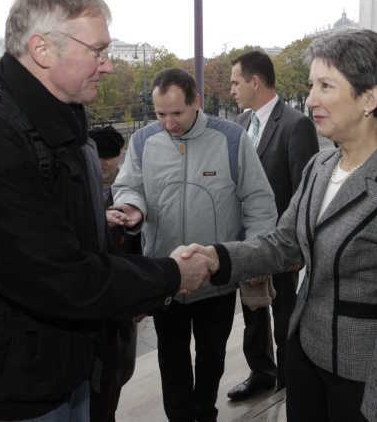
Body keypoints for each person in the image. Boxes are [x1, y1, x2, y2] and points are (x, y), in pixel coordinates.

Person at [0, 0, 215, 422]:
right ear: (42, 49)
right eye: (98, 51)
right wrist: (168, 275)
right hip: (24, 384)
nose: (109, 67)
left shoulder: (60, 122)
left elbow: (61, 239)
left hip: (66, 365)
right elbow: (56, 276)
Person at [175, 29, 377, 422]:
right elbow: (284, 244)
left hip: (358, 383)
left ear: (370, 97)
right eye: (311, 85)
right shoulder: (320, 167)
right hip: (303, 362)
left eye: (325, 85)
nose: (311, 99)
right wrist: (216, 257)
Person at [110, 68, 277, 422]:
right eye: (160, 114)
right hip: (166, 278)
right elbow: (128, 187)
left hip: (215, 280)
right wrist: (131, 208)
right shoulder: (143, 142)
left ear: (196, 102)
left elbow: (260, 202)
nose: (168, 123)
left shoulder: (232, 139)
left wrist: (255, 259)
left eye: (177, 113)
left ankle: (206, 413)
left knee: (211, 358)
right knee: (171, 361)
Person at [226, 50, 319, 400]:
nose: (232, 90)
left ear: (254, 81)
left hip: (281, 245)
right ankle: (261, 374)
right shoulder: (238, 124)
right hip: (246, 240)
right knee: (252, 311)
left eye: (235, 82)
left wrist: (296, 245)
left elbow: (304, 191)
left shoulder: (297, 125)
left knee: (283, 316)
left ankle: (289, 379)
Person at [86, 125, 143, 422]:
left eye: (108, 161)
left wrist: (142, 300)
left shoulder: (131, 192)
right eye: (97, 161)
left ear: (119, 155)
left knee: (121, 370)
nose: (103, 168)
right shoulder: (79, 191)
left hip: (123, 301)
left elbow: (142, 247)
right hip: (94, 301)